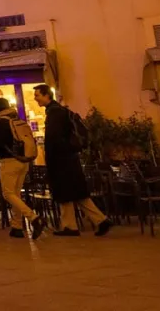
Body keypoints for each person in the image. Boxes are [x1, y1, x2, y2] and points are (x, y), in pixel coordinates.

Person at [33, 85, 112, 237]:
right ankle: (90, 222)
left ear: (46, 95)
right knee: (74, 193)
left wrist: (51, 159)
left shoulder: (54, 113)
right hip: (69, 159)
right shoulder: (59, 111)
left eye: (37, 95)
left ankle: (75, 225)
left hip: (62, 160)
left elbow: (54, 139)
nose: (35, 98)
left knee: (67, 192)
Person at [0, 98, 44, 240]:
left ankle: (34, 218)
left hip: (9, 161)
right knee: (16, 194)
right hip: (23, 161)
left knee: (8, 194)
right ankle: (17, 226)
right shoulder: (17, 120)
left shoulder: (1, 122)